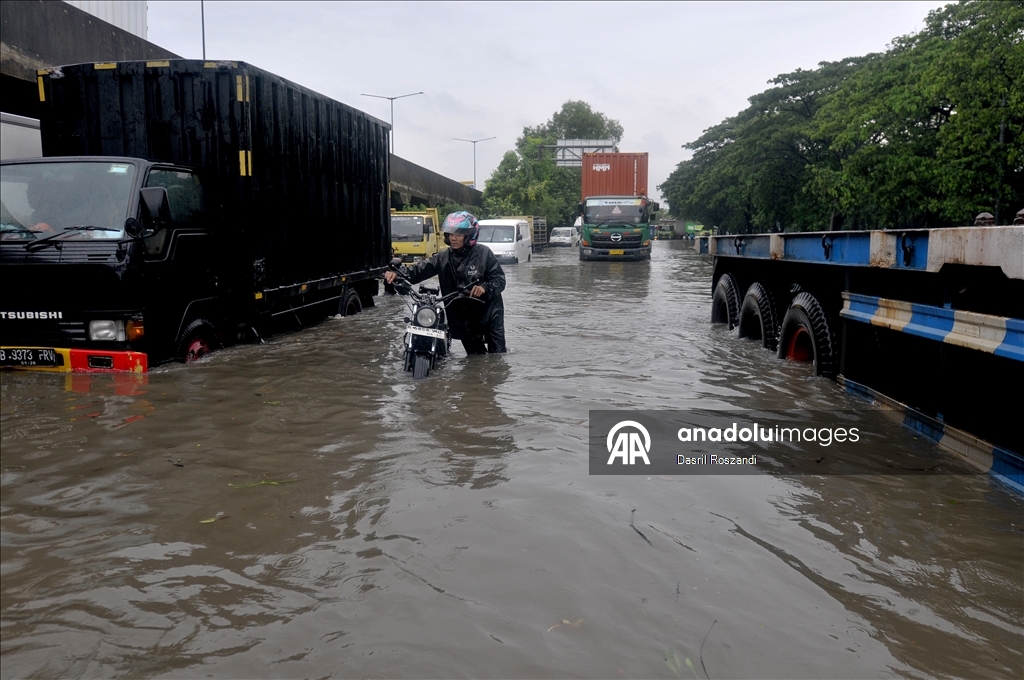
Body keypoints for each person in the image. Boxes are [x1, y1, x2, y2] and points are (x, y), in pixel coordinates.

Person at [384, 211, 506, 354]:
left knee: (497, 357)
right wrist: (396, 274)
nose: (453, 238)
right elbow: (419, 270)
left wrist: (484, 288)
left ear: (469, 236)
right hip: (464, 317)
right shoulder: (443, 257)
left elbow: (499, 279)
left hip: (489, 314)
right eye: (450, 234)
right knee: (475, 359)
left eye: (458, 235)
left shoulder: (485, 254)